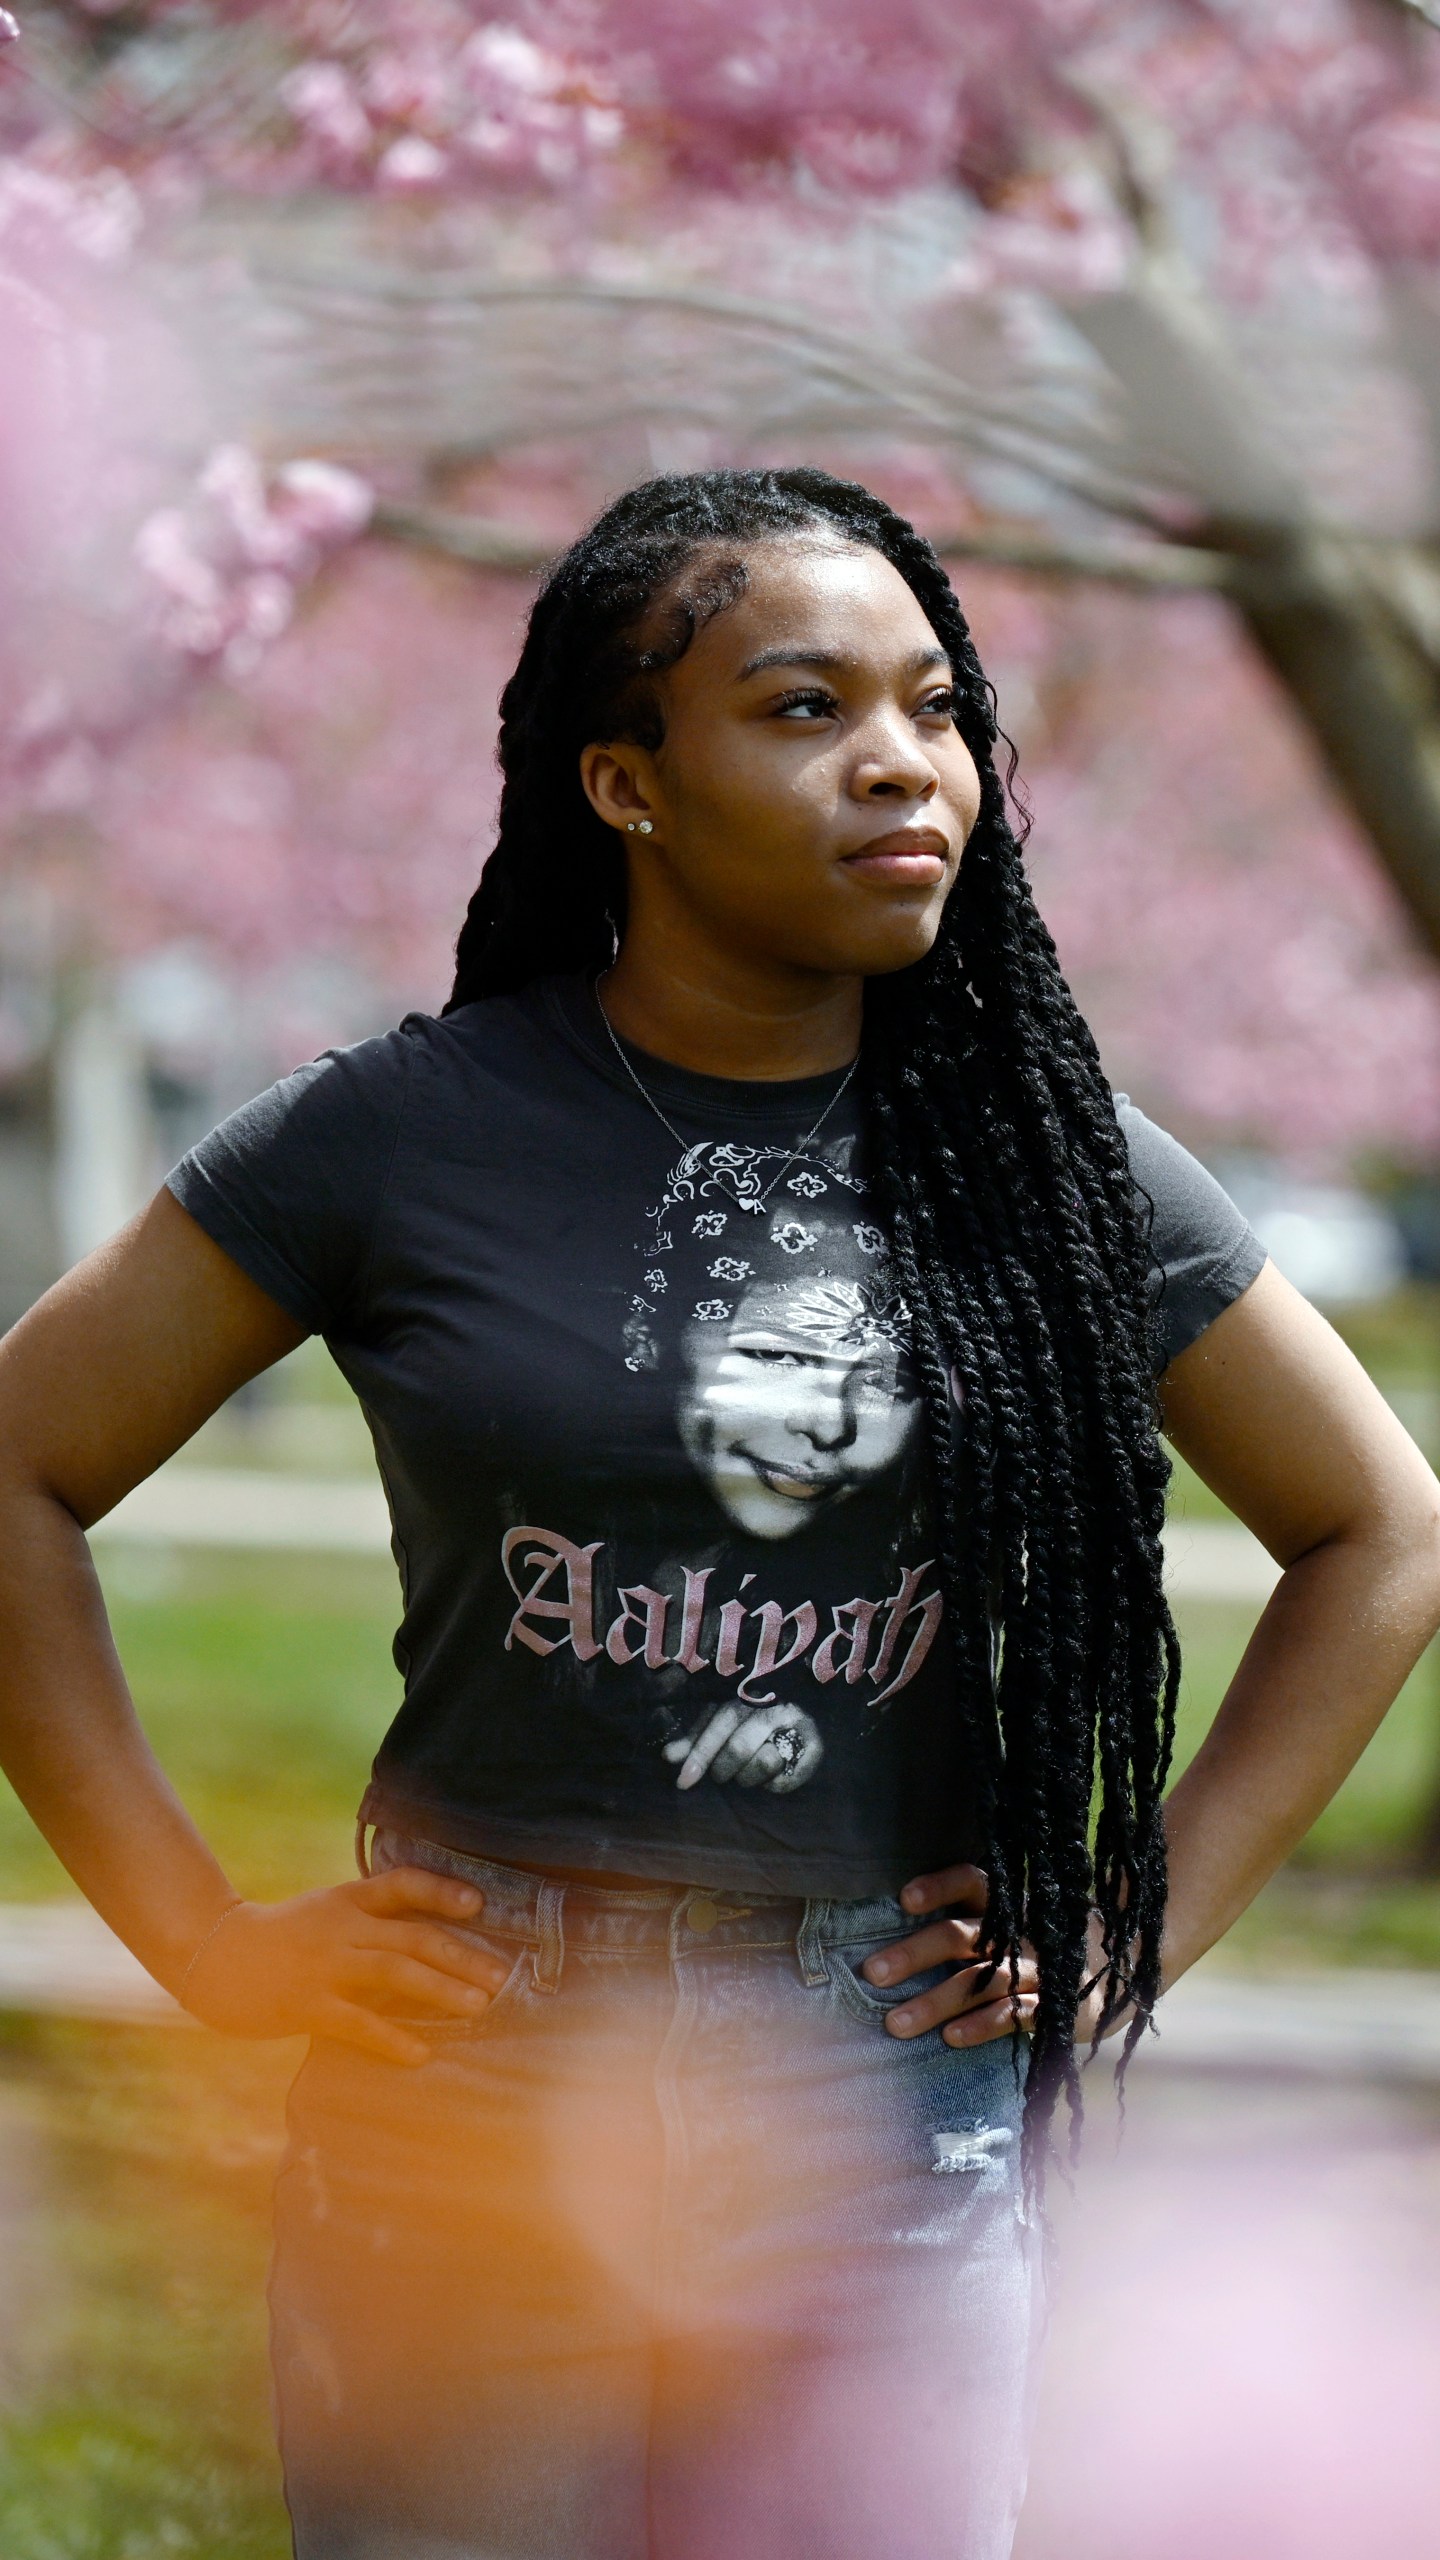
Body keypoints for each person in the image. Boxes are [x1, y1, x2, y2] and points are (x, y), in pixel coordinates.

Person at [0, 465, 1437, 2560]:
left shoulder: (1042, 1158)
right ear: (627, 783)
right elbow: (20, 1461)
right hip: (469, 2076)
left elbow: (1380, 1528)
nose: (902, 764)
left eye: (936, 709)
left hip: (889, 2089)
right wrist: (202, 1940)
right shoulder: (407, 1130)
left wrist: (1138, 1919)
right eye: (801, 707)